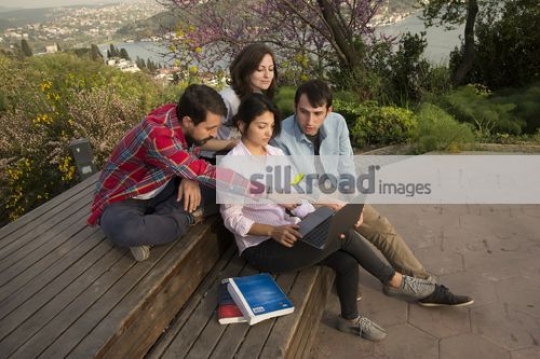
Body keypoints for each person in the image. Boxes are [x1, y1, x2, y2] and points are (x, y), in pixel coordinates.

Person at [220, 93, 439, 342]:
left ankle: (350, 319)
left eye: (271, 126)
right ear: (241, 125)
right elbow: (232, 219)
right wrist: (272, 231)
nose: (268, 132)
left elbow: (295, 196)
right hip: (261, 248)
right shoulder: (231, 166)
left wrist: (322, 209)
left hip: (289, 231)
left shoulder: (275, 155)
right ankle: (395, 280)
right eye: (261, 126)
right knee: (342, 235)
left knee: (346, 260)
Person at [271, 79, 474, 307]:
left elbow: (346, 166)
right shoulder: (280, 137)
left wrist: (352, 203)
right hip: (307, 201)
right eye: (303, 112)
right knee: (344, 230)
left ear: (329, 111)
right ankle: (355, 279)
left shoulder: (337, 123)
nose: (310, 121)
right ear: (295, 106)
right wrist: (331, 204)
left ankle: (424, 285)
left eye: (317, 113)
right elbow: (293, 183)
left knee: (379, 226)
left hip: (336, 193)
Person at [87, 84, 254, 261]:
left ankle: (162, 225)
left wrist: (189, 178)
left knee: (220, 192)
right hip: (126, 196)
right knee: (126, 230)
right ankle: (188, 217)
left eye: (216, 127)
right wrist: (257, 187)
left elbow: (191, 161)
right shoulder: (158, 136)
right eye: (209, 128)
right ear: (188, 121)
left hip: (162, 184)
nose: (214, 134)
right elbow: (204, 171)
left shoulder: (177, 115)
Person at [200, 43, 277, 161]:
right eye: (260, 69)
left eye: (271, 69)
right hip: (215, 159)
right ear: (246, 70)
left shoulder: (260, 96)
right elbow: (199, 141)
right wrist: (233, 144)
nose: (267, 75)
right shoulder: (227, 99)